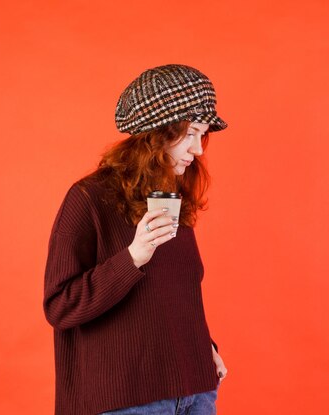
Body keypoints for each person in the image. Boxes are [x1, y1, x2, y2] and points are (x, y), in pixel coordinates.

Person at [43, 64, 229, 415]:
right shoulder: (88, 198)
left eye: (201, 135)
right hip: (129, 402)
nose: (198, 150)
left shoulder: (171, 197)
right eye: (189, 134)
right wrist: (132, 258)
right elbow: (60, 306)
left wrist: (205, 347)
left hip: (197, 392)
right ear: (156, 135)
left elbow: (175, 294)